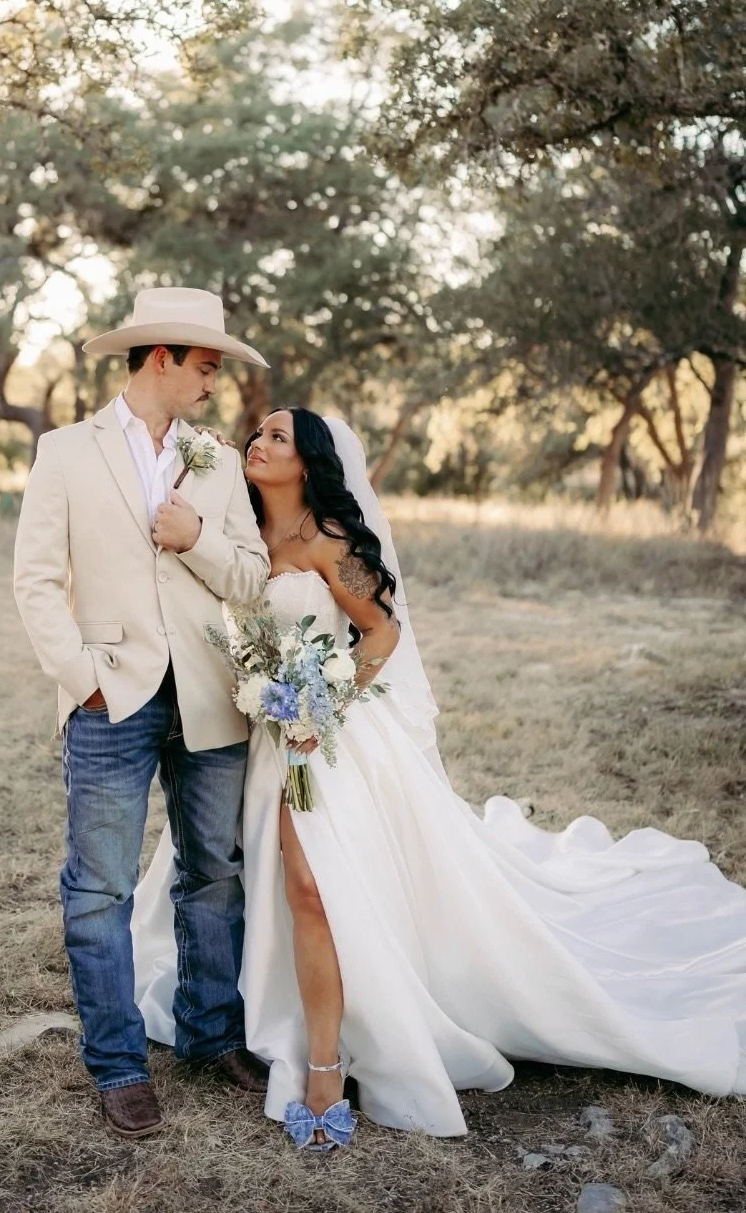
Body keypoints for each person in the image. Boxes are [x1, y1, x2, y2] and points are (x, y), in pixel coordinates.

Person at [133, 407, 746, 1148]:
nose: (258, 443)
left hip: (325, 742)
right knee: (264, 884)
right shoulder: (235, 537)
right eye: (256, 433)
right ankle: (264, 1018)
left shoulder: (329, 541)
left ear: (309, 462)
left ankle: (324, 1068)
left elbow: (382, 630)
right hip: (255, 738)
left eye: (277, 437)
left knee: (311, 887)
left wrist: (322, 705)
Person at [13, 287, 272, 1139]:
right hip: (110, 698)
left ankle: (211, 1036)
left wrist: (194, 537)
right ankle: (119, 1063)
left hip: (209, 698)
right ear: (160, 357)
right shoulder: (64, 452)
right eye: (206, 366)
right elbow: (37, 581)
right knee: (99, 890)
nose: (214, 383)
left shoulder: (219, 461)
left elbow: (251, 577)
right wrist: (82, 677)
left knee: (215, 877)